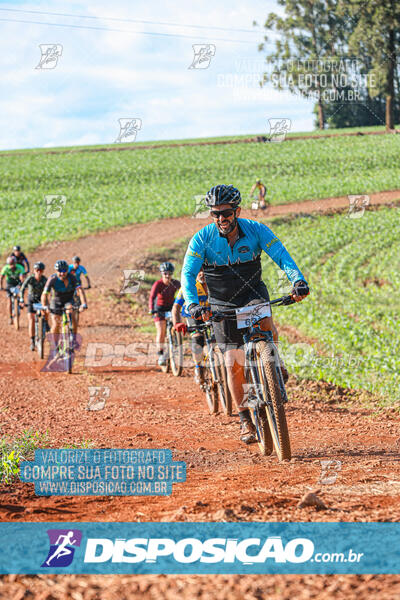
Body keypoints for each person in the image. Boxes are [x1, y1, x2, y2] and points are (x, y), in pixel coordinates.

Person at [181, 184, 309, 444]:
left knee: (266, 321)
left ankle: (274, 361)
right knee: (232, 362)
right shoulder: (201, 239)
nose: (220, 219)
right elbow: (187, 275)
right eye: (215, 214)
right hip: (220, 303)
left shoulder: (256, 230)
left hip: (251, 294)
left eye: (226, 213)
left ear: (237, 211)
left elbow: (282, 256)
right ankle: (244, 419)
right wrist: (194, 304)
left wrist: (298, 281)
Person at [172, 268, 210, 385]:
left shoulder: (214, 283)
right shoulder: (187, 287)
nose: (202, 273)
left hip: (209, 315)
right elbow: (176, 308)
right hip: (193, 317)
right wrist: (177, 323)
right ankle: (198, 367)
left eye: (204, 270)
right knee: (198, 338)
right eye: (198, 270)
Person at [41, 260, 87, 337]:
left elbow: (80, 290)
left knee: (72, 316)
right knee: (56, 324)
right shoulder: (52, 279)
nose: (62, 273)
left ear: (67, 270)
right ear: (56, 271)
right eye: (59, 271)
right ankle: (54, 345)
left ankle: (73, 338)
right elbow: (44, 294)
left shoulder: (72, 277)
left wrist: (83, 303)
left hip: (68, 300)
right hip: (56, 301)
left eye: (64, 271)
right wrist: (45, 306)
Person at [148, 262, 180, 366]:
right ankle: (161, 353)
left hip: (171, 308)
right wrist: (152, 310)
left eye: (169, 273)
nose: (167, 275)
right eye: (165, 273)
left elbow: (182, 292)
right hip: (159, 309)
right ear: (162, 274)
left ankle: (176, 342)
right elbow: (152, 297)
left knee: (177, 324)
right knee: (161, 331)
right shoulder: (158, 284)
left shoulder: (175, 283)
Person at [19, 262, 49, 350]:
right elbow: (22, 289)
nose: (39, 272)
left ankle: (46, 323)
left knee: (46, 309)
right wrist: (21, 299)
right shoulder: (30, 278)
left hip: (42, 299)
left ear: (43, 271)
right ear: (34, 270)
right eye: (37, 270)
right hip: (31, 299)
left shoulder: (45, 279)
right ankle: (32, 341)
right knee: (31, 320)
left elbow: (50, 289)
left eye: (41, 270)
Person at [1, 256, 26, 324]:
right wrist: (1, 286)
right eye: (10, 264)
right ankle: (10, 317)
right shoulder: (5, 268)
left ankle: (21, 302)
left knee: (20, 293)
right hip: (9, 284)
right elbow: (1, 277)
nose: (11, 266)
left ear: (15, 263)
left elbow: (22, 278)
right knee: (9, 301)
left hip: (17, 283)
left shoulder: (20, 267)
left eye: (13, 264)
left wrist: (21, 285)